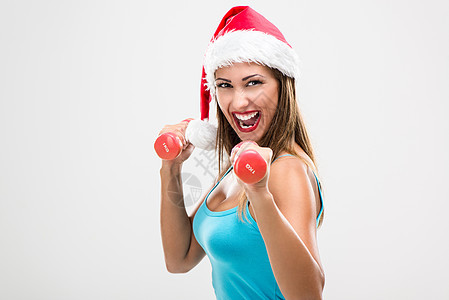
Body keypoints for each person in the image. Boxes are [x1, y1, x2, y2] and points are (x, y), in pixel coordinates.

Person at [159, 6, 325, 299]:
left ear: (282, 86)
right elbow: (179, 259)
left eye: (253, 82)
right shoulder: (235, 167)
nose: (239, 101)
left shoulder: (286, 169)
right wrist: (171, 169)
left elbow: (308, 295)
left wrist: (259, 193)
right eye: (225, 86)